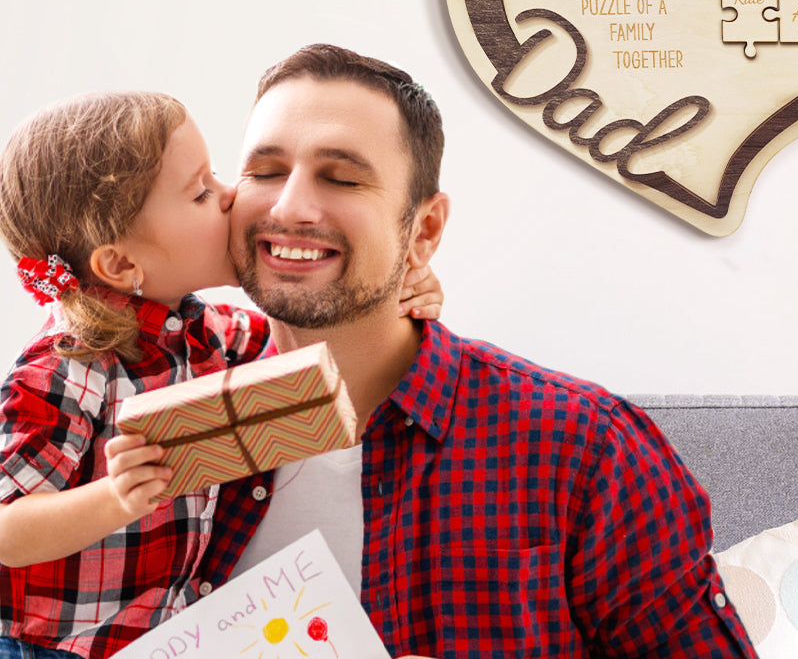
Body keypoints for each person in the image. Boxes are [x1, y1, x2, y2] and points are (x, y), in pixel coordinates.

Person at [198, 44, 758, 659]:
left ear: (424, 230)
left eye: (342, 178)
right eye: (265, 171)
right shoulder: (158, 406)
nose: (288, 206)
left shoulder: (585, 448)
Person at [0, 90, 441, 659]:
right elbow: (7, 530)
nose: (231, 194)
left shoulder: (199, 329)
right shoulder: (69, 366)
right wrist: (116, 498)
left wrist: (402, 287)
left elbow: (304, 337)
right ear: (123, 264)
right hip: (46, 647)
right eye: (201, 191)